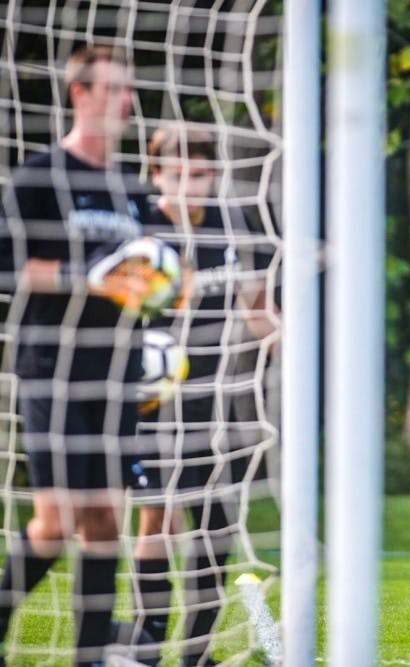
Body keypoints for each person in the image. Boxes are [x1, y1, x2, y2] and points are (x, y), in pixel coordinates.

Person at [0, 45, 158, 665]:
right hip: (54, 369)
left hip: (116, 373)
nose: (126, 100)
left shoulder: (131, 192)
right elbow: (12, 268)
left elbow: (148, 272)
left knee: (103, 525)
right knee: (56, 520)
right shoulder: (39, 179)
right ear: (80, 94)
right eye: (115, 88)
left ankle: (89, 657)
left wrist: (165, 283)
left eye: (129, 89)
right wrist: (87, 276)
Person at [131, 124, 278, 666]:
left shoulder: (231, 227)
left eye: (200, 174)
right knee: (159, 519)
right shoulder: (140, 230)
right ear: (157, 177)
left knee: (218, 525)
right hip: (148, 401)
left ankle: (197, 652)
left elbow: (258, 311)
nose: (189, 186)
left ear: (213, 176)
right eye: (177, 175)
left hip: (216, 399)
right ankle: (146, 644)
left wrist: (292, 342)